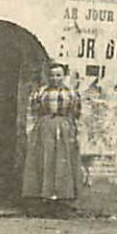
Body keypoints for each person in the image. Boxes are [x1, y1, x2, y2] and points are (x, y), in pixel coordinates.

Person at [21, 62, 80, 216]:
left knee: (62, 162)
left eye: (58, 75)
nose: (55, 78)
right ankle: (42, 199)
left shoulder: (71, 93)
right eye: (52, 75)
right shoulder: (40, 92)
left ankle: (62, 200)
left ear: (64, 76)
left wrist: (73, 132)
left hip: (64, 127)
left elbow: (75, 113)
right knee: (43, 161)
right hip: (44, 127)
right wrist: (31, 131)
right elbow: (32, 113)